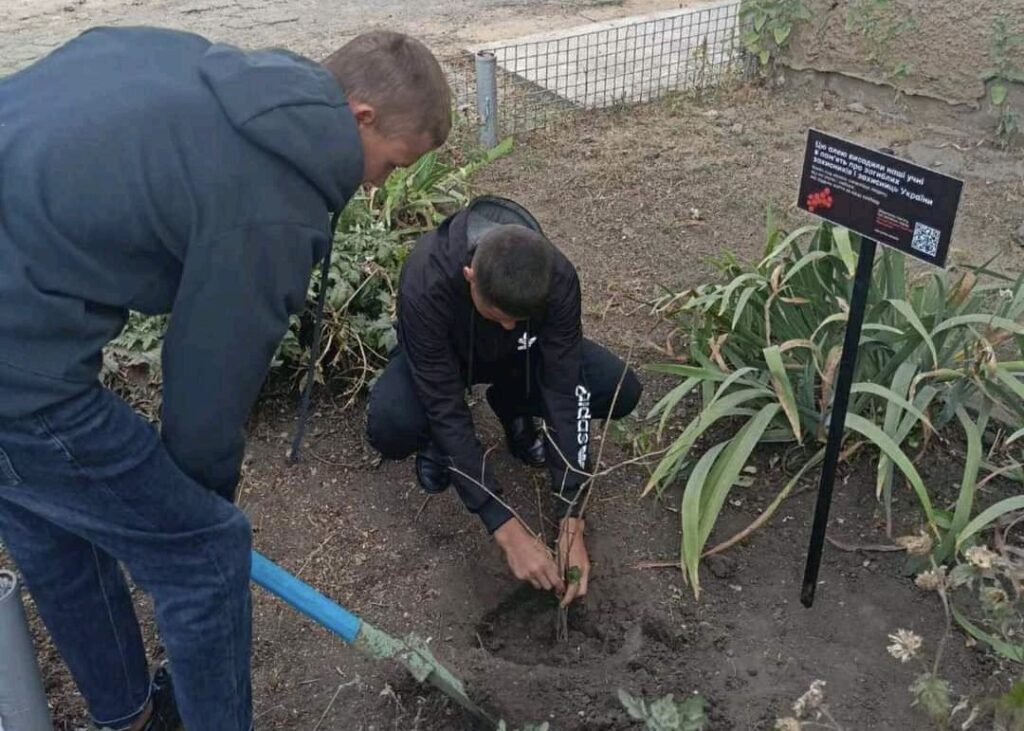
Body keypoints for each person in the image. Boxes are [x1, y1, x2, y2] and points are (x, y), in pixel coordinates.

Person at [0, 26, 450, 731]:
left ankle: (129, 717)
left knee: (55, 520)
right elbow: (207, 391)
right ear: (360, 115)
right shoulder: (272, 197)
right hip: (16, 364)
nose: (374, 186)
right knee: (206, 555)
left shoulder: (218, 78)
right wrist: (194, 509)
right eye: (389, 166)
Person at [366, 196, 642, 607]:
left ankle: (512, 405)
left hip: (520, 356)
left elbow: (566, 386)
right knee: (392, 424)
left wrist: (571, 519)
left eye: (519, 316)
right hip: (446, 362)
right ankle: (434, 445)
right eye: (498, 314)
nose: (509, 323)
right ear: (469, 276)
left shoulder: (556, 275)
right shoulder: (427, 279)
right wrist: (505, 528)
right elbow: (443, 403)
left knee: (618, 387)